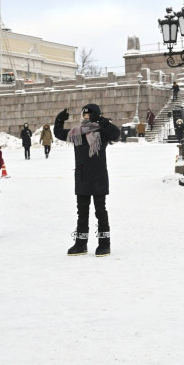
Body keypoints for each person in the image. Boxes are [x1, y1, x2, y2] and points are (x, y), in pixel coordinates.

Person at [54, 104, 121, 257]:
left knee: (100, 211)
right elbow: (58, 133)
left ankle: (104, 244)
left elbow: (116, 134)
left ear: (95, 115)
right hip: (82, 176)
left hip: (98, 177)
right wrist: (59, 120)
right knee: (82, 213)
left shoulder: (102, 132)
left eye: (89, 114)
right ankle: (80, 244)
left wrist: (103, 122)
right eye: (84, 114)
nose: (86, 117)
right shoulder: (77, 132)